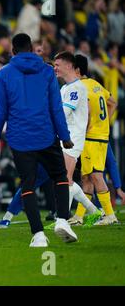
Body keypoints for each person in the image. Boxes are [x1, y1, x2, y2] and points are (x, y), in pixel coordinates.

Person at [0, 33, 77, 248]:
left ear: (13, 50)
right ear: (32, 48)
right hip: (46, 135)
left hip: (19, 139)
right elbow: (56, 107)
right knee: (60, 176)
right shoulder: (47, 71)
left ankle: (38, 235)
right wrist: (65, 137)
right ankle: (62, 220)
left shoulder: (3, 74)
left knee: (27, 184)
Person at [53, 51, 102, 222]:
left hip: (72, 140)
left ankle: (62, 219)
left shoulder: (78, 87)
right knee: (65, 181)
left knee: (64, 180)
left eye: (57, 65)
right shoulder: (65, 87)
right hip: (64, 138)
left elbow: (64, 112)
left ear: (68, 65)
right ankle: (94, 211)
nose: (55, 68)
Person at [70, 54, 119, 225]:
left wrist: (87, 127)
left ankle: (110, 215)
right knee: (87, 177)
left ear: (76, 70)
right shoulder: (96, 85)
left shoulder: (80, 87)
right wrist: (104, 123)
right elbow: (112, 102)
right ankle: (79, 216)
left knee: (96, 175)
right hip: (101, 135)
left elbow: (88, 113)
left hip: (90, 138)